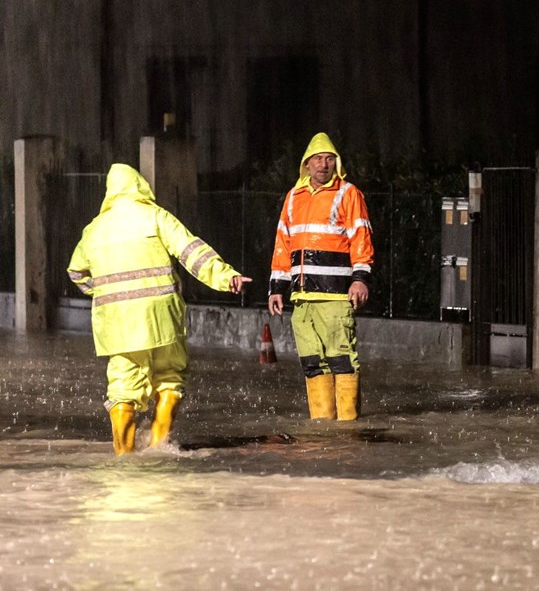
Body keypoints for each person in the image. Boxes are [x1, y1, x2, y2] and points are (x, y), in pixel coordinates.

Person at [67, 163, 251, 455]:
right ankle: (158, 446)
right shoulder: (154, 216)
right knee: (169, 377)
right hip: (161, 317)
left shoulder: (94, 230)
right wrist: (226, 277)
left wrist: (105, 293)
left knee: (122, 388)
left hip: (117, 324)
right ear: (140, 186)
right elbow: (190, 250)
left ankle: (124, 458)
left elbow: (77, 273)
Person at [268, 132, 374, 421]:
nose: (323, 165)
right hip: (302, 298)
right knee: (312, 363)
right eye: (318, 159)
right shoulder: (293, 197)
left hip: (335, 296)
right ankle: (322, 428)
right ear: (307, 164)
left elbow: (360, 236)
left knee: (342, 361)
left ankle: (347, 428)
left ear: (336, 164)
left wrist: (360, 278)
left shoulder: (348, 193)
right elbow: (283, 243)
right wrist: (276, 287)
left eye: (329, 159)